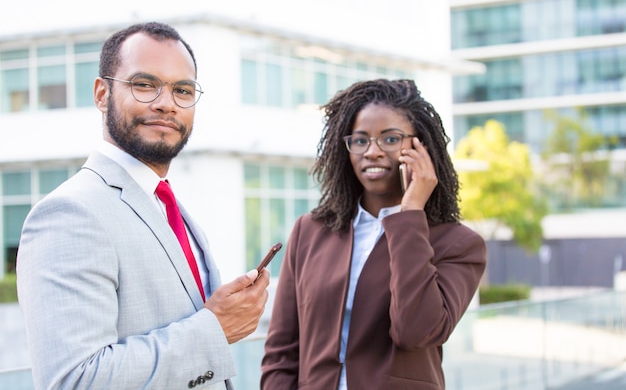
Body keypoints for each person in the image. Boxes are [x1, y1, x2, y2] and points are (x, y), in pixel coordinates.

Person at [16, 22, 270, 390]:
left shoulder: (169, 205)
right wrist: (213, 330)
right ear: (102, 94)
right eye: (144, 84)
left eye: (182, 90)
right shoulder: (69, 213)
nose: (166, 102)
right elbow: (73, 381)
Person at [260, 79, 487, 390]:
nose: (373, 152)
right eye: (361, 140)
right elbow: (281, 349)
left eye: (390, 139)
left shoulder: (458, 244)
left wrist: (410, 216)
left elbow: (416, 331)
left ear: (420, 147)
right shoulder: (309, 231)